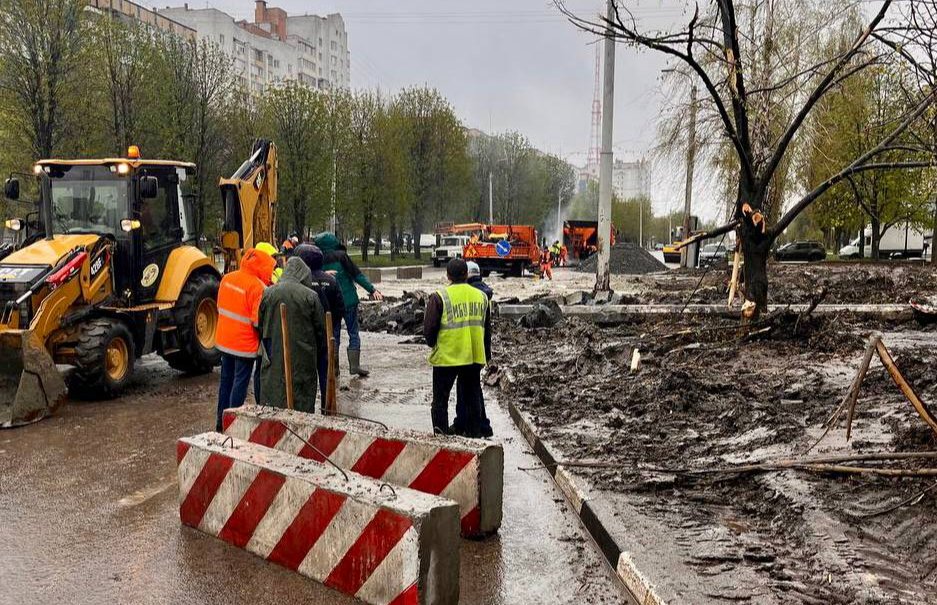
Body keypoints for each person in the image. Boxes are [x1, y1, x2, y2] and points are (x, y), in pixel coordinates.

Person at [424, 258, 493, 438]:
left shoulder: (439, 297)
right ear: (466, 274)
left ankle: (441, 437)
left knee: (440, 402)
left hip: (446, 358)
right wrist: (486, 354)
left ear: (448, 275)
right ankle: (474, 436)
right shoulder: (482, 297)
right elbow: (487, 330)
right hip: (472, 357)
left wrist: (432, 344)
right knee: (472, 399)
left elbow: (429, 330)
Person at [215, 247, 276, 430]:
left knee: (225, 382)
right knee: (240, 383)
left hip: (225, 341)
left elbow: (220, 306)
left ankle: (220, 422)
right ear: (262, 267)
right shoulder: (257, 287)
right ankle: (232, 424)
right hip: (244, 345)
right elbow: (257, 320)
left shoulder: (227, 278)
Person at [313, 232, 384, 377]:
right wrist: (372, 289)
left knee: (334, 334)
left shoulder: (318, 260)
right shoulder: (342, 256)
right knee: (353, 332)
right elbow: (357, 275)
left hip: (331, 304)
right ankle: (355, 366)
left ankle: (334, 368)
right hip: (349, 301)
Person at [295, 243, 345, 404]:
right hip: (326, 335)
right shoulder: (331, 280)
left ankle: (305, 408)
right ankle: (327, 406)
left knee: (304, 375)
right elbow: (340, 307)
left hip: (305, 337)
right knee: (325, 375)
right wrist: (330, 325)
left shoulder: (301, 283)